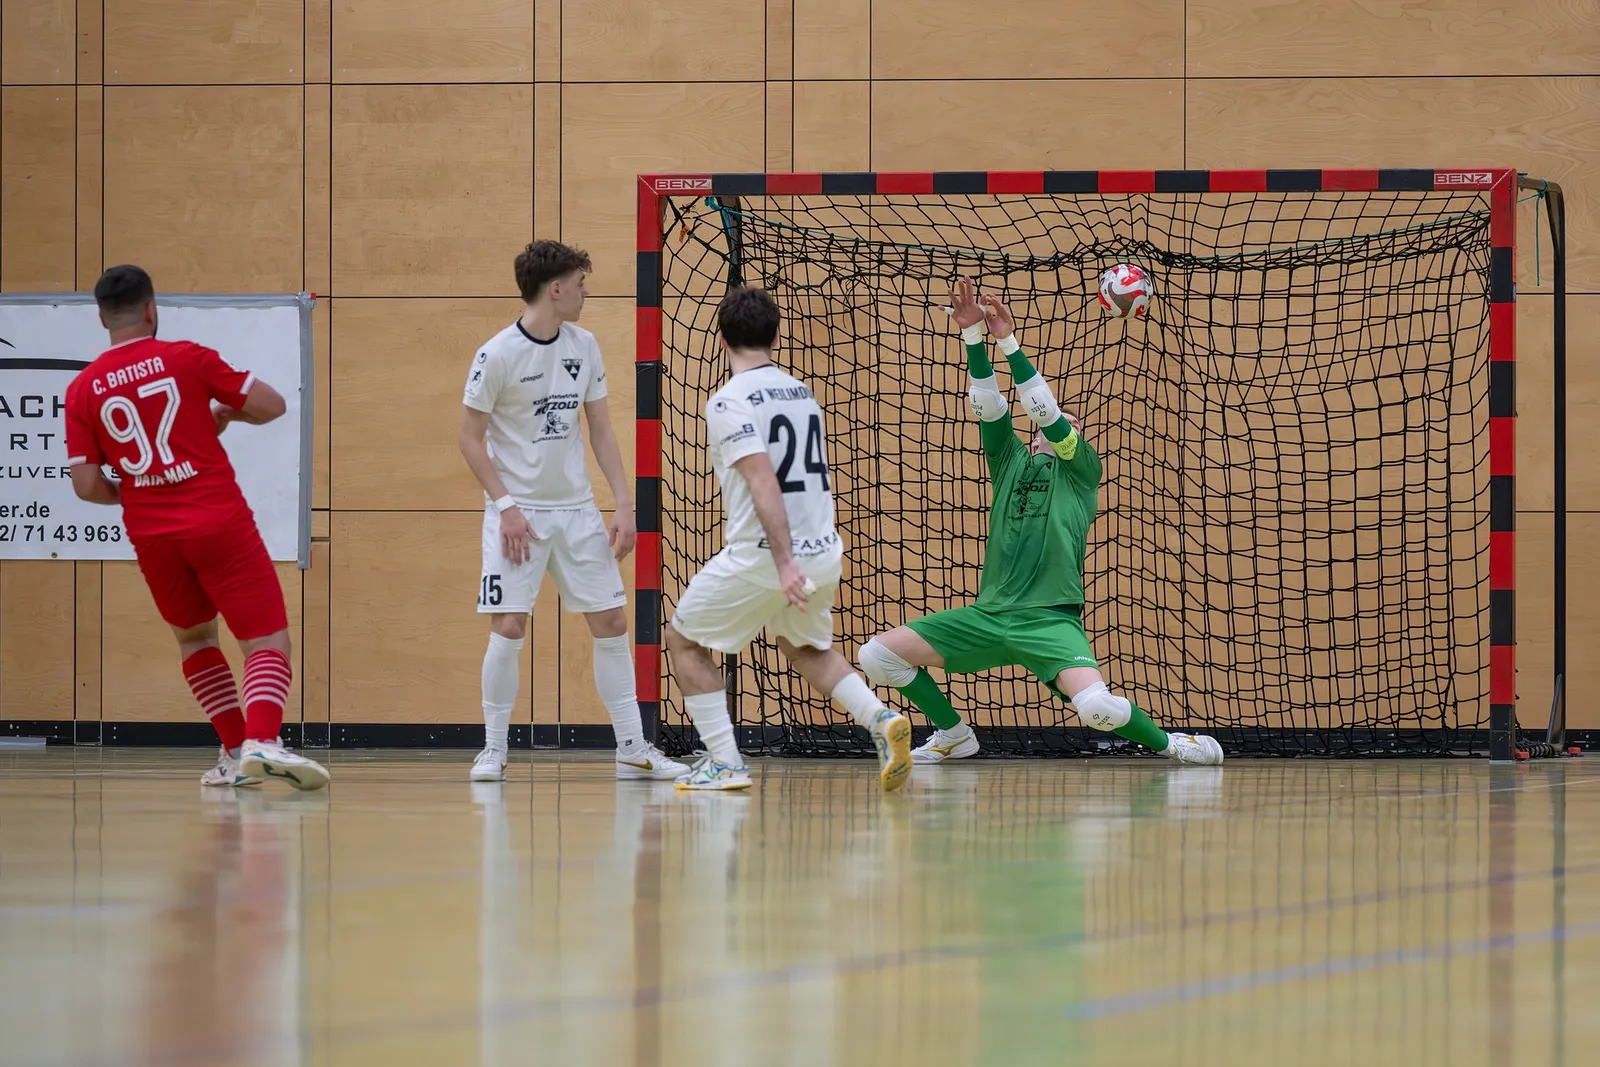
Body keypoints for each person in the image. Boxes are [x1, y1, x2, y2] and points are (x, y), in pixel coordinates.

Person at [857, 279, 1224, 766]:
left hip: (1050, 620)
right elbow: (989, 404)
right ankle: (954, 734)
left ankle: (1172, 744)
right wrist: (973, 337)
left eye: (1071, 425)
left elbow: (1045, 410)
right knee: (876, 656)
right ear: (1031, 440)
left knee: (1096, 708)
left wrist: (1008, 341)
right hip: (989, 616)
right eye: (1054, 425)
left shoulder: (1081, 470)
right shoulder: (1009, 461)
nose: (1063, 425)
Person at [65, 265, 328, 789]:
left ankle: (233, 753)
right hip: (215, 520)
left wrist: (133, 491)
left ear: (101, 318)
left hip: (151, 535)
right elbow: (272, 405)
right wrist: (226, 415)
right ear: (151, 309)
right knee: (266, 638)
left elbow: (87, 485)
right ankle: (262, 741)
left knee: (194, 639)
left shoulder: (81, 389)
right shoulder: (186, 357)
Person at [664, 285, 912, 792]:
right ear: (776, 336)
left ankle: (725, 763)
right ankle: (881, 719)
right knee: (804, 649)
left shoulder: (729, 401)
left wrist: (782, 563)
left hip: (767, 557)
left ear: (721, 339)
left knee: (683, 641)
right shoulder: (801, 392)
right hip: (822, 551)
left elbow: (762, 481)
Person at [459, 241, 686, 783]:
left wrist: (624, 503)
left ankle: (632, 747)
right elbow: (469, 438)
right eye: (580, 284)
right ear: (556, 289)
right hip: (518, 515)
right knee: (509, 625)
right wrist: (507, 507)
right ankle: (493, 750)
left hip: (577, 511)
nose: (586, 293)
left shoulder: (584, 345)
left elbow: (600, 428)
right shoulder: (497, 355)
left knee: (612, 621)